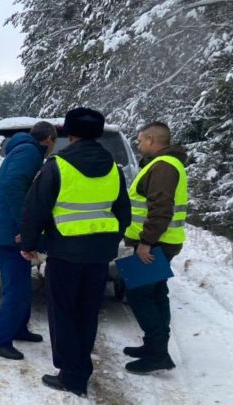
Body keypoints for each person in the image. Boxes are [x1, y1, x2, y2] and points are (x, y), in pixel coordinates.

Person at [19, 107, 131, 396]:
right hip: (99, 257)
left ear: (71, 134)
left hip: (65, 254)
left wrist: (29, 245)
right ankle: (81, 369)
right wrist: (108, 241)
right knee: (87, 312)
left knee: (64, 313)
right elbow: (124, 215)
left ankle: (71, 375)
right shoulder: (115, 170)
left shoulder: (58, 166)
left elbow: (36, 209)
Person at [0, 121, 57, 360]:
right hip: (9, 234)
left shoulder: (24, 150)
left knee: (21, 286)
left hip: (8, 231)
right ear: (48, 139)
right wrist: (25, 227)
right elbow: (13, 185)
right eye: (54, 142)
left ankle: (18, 328)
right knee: (15, 290)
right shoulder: (29, 152)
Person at [122, 121, 187, 374]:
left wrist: (146, 242)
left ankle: (157, 353)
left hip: (155, 243)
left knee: (140, 295)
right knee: (157, 293)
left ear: (151, 139)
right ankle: (154, 347)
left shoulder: (162, 167)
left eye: (140, 140)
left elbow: (161, 209)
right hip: (162, 241)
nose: (138, 145)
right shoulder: (166, 164)